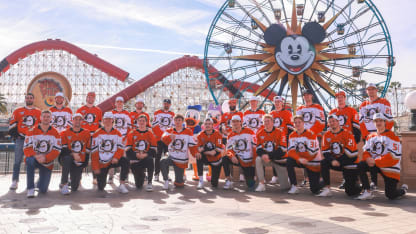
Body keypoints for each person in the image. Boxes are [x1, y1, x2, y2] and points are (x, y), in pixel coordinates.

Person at [356, 113, 408, 200]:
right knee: (361, 165)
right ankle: (367, 191)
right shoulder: (370, 136)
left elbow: (394, 157)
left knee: (391, 195)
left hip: (389, 168)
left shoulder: (393, 136)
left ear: (385, 122)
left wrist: (375, 161)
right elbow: (366, 151)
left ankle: (403, 190)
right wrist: (368, 158)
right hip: (375, 164)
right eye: (376, 121)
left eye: (380, 121)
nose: (378, 123)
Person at [359, 83, 394, 190]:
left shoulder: (384, 102)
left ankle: (390, 182)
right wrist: (366, 135)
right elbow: (361, 122)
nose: (371, 91)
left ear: (376, 90)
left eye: (373, 89)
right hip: (370, 136)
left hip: (382, 135)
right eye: (369, 89)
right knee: (371, 158)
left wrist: (384, 133)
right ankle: (374, 182)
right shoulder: (363, 105)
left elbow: (389, 120)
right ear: (366, 91)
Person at [318, 114, 361, 197]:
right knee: (323, 162)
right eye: (330, 122)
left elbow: (351, 153)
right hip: (336, 161)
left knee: (351, 192)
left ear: (338, 122)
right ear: (328, 124)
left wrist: (339, 161)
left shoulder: (347, 133)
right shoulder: (326, 135)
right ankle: (327, 188)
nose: (332, 123)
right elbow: (325, 152)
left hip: (348, 162)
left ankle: (357, 183)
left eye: (334, 121)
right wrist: (332, 160)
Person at [24, 110, 61, 198]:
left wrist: (45, 158)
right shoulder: (32, 130)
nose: (46, 118)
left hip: (47, 162)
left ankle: (39, 183)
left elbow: (57, 150)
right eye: (44, 116)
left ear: (51, 118)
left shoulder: (55, 132)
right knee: (29, 160)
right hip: (35, 159)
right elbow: (26, 148)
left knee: (43, 190)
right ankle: (30, 188)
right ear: (40, 118)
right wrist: (36, 155)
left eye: (48, 117)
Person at [8, 93, 41, 190]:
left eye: (31, 98)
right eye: (28, 98)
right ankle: (15, 181)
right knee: (17, 161)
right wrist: (17, 135)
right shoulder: (18, 111)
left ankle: (33, 182)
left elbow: (41, 126)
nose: (29, 99)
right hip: (21, 139)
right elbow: (12, 124)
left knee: (33, 161)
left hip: (33, 141)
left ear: (33, 99)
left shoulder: (38, 112)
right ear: (25, 99)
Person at [91, 112, 129, 194]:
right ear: (103, 121)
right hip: (102, 163)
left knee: (125, 161)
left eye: (110, 119)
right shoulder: (97, 133)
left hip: (113, 160)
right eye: (106, 119)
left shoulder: (118, 133)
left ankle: (122, 184)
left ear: (113, 121)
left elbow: (120, 148)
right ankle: (101, 179)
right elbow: (94, 152)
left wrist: (116, 157)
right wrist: (96, 167)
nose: (108, 121)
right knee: (101, 187)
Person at [296, 89, 325, 186]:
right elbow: (297, 123)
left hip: (315, 136)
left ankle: (320, 178)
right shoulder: (299, 109)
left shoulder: (318, 107)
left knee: (317, 158)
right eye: (304, 95)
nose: (306, 96)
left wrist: (309, 133)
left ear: (312, 96)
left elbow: (321, 123)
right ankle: (306, 178)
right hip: (303, 137)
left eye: (308, 95)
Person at [160, 114, 197, 190]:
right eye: (176, 120)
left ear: (182, 121)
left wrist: (196, 153)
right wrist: (169, 137)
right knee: (163, 161)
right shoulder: (169, 130)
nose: (177, 122)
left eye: (179, 120)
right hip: (171, 157)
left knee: (179, 184)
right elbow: (163, 139)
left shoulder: (188, 131)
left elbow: (192, 145)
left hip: (181, 160)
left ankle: (181, 178)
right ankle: (166, 181)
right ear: (174, 121)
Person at [286, 115, 321, 194]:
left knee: (314, 190)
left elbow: (312, 153)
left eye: (299, 122)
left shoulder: (310, 134)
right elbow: (290, 151)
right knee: (289, 161)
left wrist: (302, 157)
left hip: (312, 161)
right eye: (295, 123)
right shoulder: (292, 135)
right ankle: (294, 186)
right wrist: (299, 158)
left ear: (303, 123)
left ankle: (324, 182)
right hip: (301, 160)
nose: (297, 124)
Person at [255, 114, 290, 192]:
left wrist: (269, 156)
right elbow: (258, 148)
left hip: (278, 160)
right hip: (267, 160)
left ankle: (286, 180)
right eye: (265, 121)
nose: (266, 123)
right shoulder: (260, 133)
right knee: (258, 159)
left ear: (273, 122)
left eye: (268, 121)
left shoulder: (280, 132)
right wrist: (263, 155)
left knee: (285, 187)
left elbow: (283, 149)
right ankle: (261, 184)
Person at [59, 113, 91, 195]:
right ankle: (64, 183)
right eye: (75, 119)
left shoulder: (87, 133)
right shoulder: (64, 132)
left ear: (82, 121)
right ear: (72, 120)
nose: (77, 121)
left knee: (75, 187)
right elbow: (63, 149)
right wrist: (73, 154)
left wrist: (84, 163)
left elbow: (87, 150)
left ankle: (71, 181)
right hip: (68, 158)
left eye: (79, 119)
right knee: (67, 159)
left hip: (79, 160)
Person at [222, 115, 256, 190]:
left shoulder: (250, 132)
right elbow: (229, 150)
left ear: (241, 122)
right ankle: (228, 180)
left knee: (250, 185)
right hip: (238, 159)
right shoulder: (230, 135)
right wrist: (232, 156)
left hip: (249, 161)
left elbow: (255, 147)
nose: (235, 123)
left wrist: (254, 162)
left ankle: (251, 178)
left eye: (237, 121)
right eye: (233, 122)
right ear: (231, 123)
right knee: (225, 159)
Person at [76, 91, 102, 185]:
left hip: (94, 136)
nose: (90, 99)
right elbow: (77, 123)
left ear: (94, 99)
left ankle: (95, 178)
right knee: (83, 156)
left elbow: (99, 124)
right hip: (84, 135)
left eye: (92, 97)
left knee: (95, 157)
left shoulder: (98, 110)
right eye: (89, 97)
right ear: (86, 98)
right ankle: (78, 177)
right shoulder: (80, 110)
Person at [125, 114, 156, 191]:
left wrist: (146, 154)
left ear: (146, 122)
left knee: (150, 160)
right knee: (138, 185)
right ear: (137, 122)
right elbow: (128, 149)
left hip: (146, 157)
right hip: (135, 158)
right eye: (140, 121)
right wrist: (136, 154)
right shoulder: (132, 133)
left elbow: (154, 149)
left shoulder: (150, 133)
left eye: (143, 121)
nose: (141, 122)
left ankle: (149, 182)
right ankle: (142, 175)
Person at [195, 118, 225, 189]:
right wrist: (207, 151)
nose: (207, 125)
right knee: (198, 156)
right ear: (203, 125)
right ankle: (201, 181)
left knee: (214, 184)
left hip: (216, 160)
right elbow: (199, 149)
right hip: (206, 157)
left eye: (209, 124)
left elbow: (216, 151)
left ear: (212, 125)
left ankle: (213, 178)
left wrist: (204, 149)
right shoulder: (200, 135)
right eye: (206, 124)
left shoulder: (218, 134)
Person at [269, 95, 293, 184]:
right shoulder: (271, 114)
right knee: (273, 156)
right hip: (274, 139)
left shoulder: (287, 113)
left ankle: (289, 177)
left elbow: (290, 127)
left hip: (284, 138)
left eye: (279, 102)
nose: (277, 104)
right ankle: (275, 176)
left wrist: (289, 139)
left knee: (286, 157)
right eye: (276, 102)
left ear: (282, 103)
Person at [219, 98, 244, 182]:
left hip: (238, 137)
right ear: (228, 105)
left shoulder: (240, 113)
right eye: (231, 104)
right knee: (229, 155)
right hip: (227, 138)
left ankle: (241, 175)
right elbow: (221, 126)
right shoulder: (225, 115)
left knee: (240, 153)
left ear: (235, 105)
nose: (232, 105)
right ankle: (230, 176)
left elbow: (243, 125)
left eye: (233, 104)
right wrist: (224, 131)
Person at [110, 96, 131, 184]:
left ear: (123, 103)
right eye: (117, 102)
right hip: (114, 138)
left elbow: (129, 127)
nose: (119, 104)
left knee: (125, 157)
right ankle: (110, 176)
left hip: (123, 138)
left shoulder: (126, 113)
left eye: (121, 102)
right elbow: (108, 126)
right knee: (111, 156)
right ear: (115, 103)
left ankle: (125, 176)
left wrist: (126, 138)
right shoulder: (111, 113)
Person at [152, 99, 175, 181]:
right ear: (163, 104)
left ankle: (166, 175)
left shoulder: (172, 114)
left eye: (168, 104)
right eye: (165, 103)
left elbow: (173, 127)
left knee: (167, 156)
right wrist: (162, 135)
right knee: (158, 156)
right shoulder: (157, 112)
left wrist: (167, 136)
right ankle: (156, 174)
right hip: (159, 138)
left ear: (170, 105)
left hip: (168, 139)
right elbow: (154, 126)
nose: (166, 105)